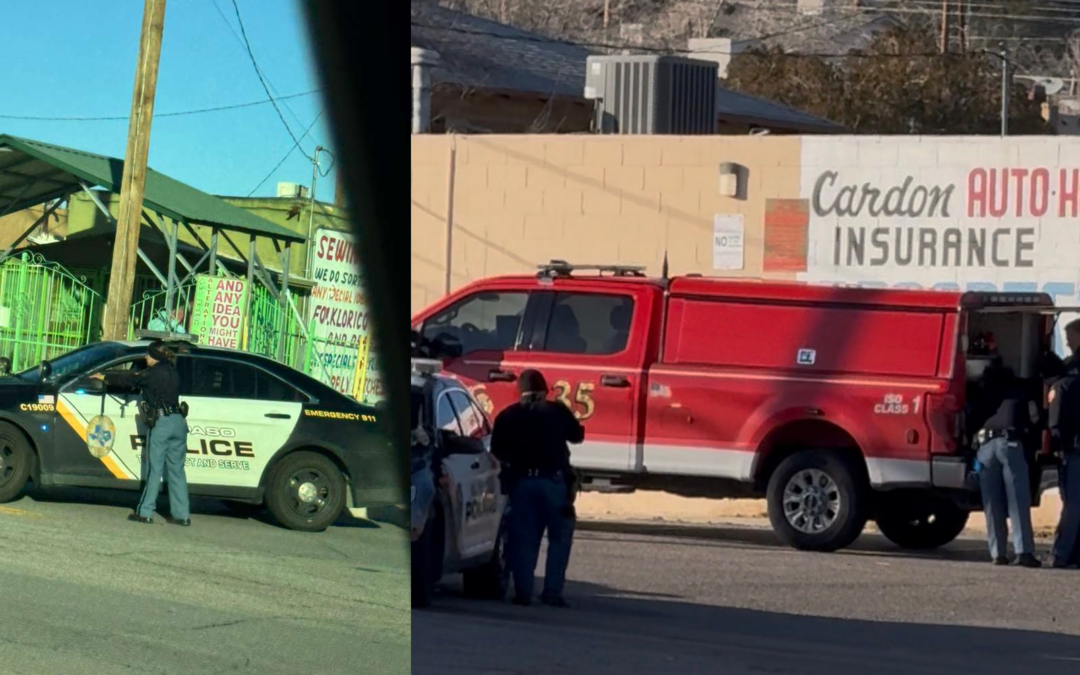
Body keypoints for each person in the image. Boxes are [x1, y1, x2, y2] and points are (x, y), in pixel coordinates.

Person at [491, 369, 584, 608]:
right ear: (545, 391)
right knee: (559, 540)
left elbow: (497, 453)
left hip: (522, 484)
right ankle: (552, 593)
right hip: (555, 484)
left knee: (523, 540)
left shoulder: (507, 416)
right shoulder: (556, 411)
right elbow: (577, 436)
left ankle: (523, 593)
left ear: (519, 392)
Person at [92, 341, 190, 526]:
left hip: (162, 423)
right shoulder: (173, 372)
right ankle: (182, 515)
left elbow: (131, 379)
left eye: (147, 354)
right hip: (179, 422)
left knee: (154, 469)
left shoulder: (154, 373)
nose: (145, 357)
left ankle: (145, 512)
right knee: (177, 470)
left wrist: (104, 377)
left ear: (154, 356)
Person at [971, 361, 1041, 567]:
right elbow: (1035, 417)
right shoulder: (1020, 391)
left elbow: (970, 419)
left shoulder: (981, 394)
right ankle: (1023, 551)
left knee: (992, 504)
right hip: (1009, 444)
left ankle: (997, 553)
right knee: (1017, 500)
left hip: (985, 447)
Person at [1048, 358, 1080, 569]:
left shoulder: (1065, 385)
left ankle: (1060, 553)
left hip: (1075, 450)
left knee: (1072, 503)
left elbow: (1056, 424)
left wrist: (1060, 447)